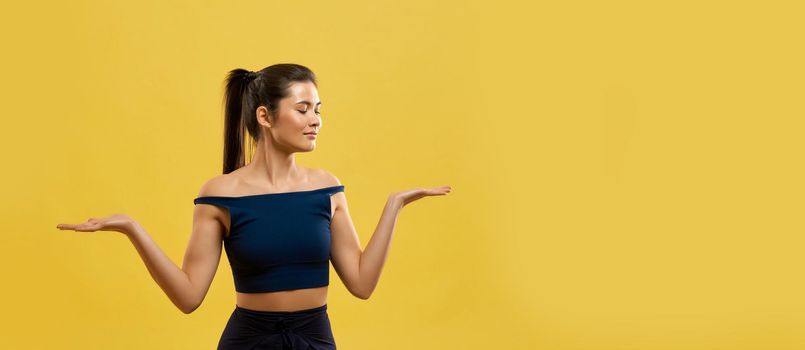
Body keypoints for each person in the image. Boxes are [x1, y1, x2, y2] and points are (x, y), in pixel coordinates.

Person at [56, 63, 452, 349]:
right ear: (264, 115)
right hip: (248, 340)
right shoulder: (220, 194)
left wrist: (394, 206)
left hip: (315, 336)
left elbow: (362, 284)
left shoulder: (327, 188)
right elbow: (189, 297)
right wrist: (132, 228)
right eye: (303, 109)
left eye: (318, 109)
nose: (315, 120)